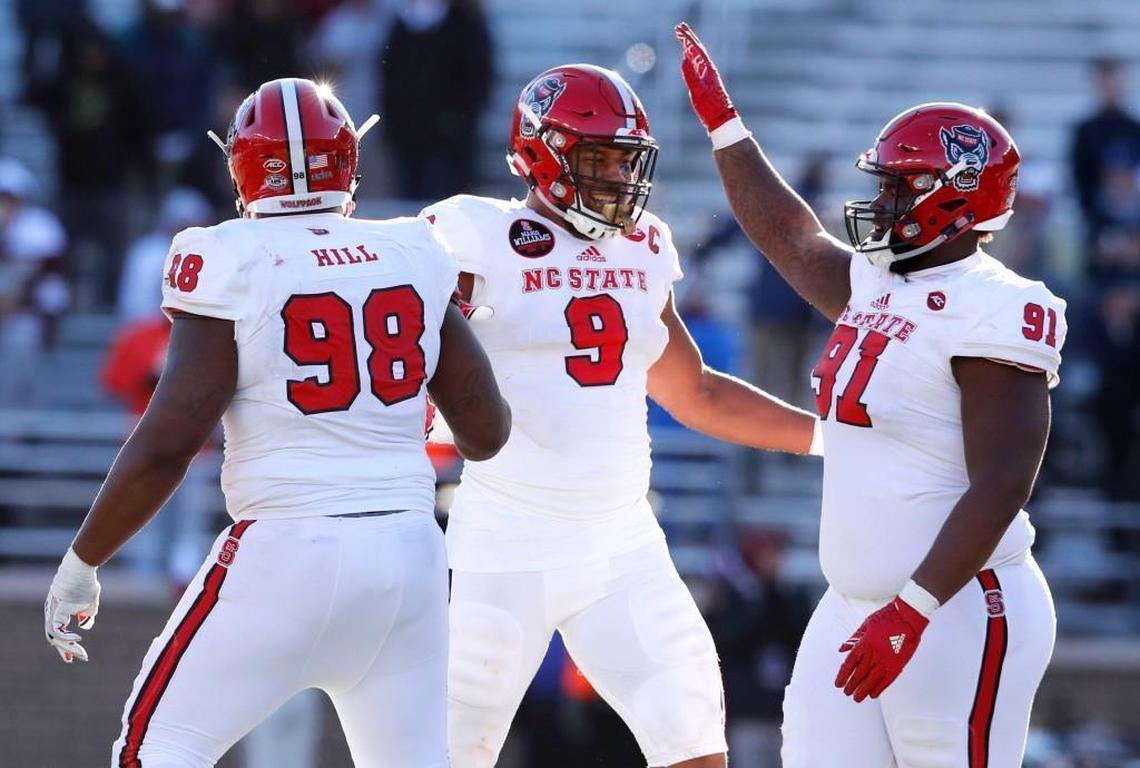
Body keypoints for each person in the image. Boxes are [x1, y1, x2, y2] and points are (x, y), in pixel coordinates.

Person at [43, 77, 511, 768]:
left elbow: (172, 438)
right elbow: (487, 431)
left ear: (240, 165)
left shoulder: (226, 253)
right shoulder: (414, 249)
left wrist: (83, 560)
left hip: (286, 552)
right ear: (349, 159)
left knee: (155, 752)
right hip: (409, 556)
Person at [675, 23, 1067, 767]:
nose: (880, 201)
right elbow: (788, 238)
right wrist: (725, 128)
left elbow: (1005, 478)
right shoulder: (880, 281)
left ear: (956, 196)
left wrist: (913, 611)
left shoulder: (999, 303)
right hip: (850, 604)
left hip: (957, 606)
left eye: (898, 185)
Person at [422, 63, 822, 768]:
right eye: (596, 158)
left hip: (621, 545)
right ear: (541, 156)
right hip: (502, 546)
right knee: (448, 754)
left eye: (624, 159)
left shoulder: (643, 246)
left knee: (695, 743)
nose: (616, 177)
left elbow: (693, 391)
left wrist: (830, 439)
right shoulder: (473, 235)